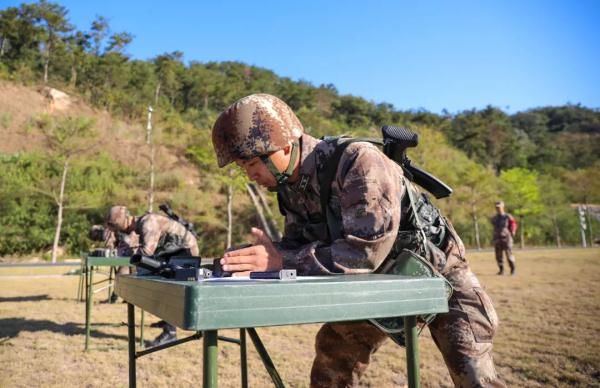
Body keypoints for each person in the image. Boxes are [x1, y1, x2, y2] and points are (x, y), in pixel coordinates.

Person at [212, 94, 505, 387]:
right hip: (380, 283)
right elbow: (301, 245)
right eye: (243, 168)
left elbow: (364, 254)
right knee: (333, 355)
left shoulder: (357, 161)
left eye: (252, 163)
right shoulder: (290, 188)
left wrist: (283, 260)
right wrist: (268, 254)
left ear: (285, 146)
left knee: (474, 377)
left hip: (440, 280)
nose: (250, 175)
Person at [105, 205, 199, 346]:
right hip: (175, 252)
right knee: (163, 285)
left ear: (123, 223)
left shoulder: (148, 223)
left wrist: (128, 254)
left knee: (166, 289)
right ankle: (168, 321)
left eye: (119, 229)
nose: (121, 232)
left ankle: (170, 333)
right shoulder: (144, 223)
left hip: (185, 253)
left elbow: (147, 252)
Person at [88, 224, 140, 303]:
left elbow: (110, 247)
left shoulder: (107, 233)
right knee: (125, 277)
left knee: (120, 276)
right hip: (130, 252)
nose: (97, 239)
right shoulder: (109, 230)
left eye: (95, 236)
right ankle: (125, 298)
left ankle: (114, 298)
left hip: (131, 252)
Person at [490, 201, 517, 276]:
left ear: (503, 207)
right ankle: (501, 270)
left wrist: (513, 231)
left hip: (506, 238)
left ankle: (513, 270)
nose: (498, 208)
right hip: (497, 239)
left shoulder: (508, 216)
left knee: (509, 255)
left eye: (499, 207)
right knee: (498, 256)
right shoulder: (494, 218)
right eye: (496, 207)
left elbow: (513, 224)